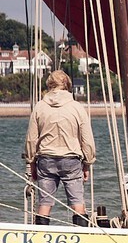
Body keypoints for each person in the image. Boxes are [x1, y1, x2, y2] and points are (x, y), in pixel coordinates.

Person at [23, 70, 96, 226]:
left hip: (46, 159)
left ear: (50, 84)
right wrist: (87, 164)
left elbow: (31, 139)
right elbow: (87, 140)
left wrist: (31, 162)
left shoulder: (40, 107)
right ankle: (81, 242)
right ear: (67, 85)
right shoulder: (77, 108)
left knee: (44, 204)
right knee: (77, 202)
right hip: (71, 159)